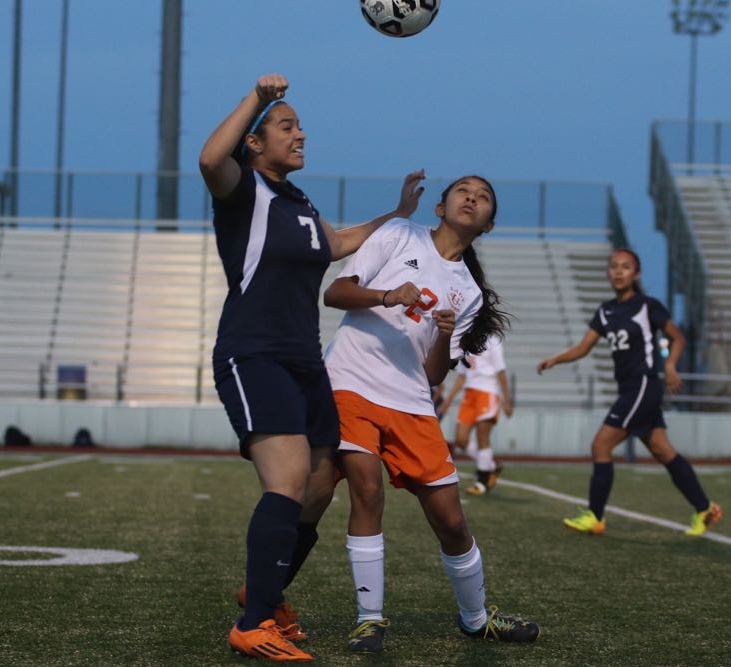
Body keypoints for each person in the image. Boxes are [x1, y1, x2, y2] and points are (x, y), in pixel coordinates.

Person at [199, 73, 424, 662]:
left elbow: (341, 241)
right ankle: (252, 624)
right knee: (290, 477)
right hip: (255, 354)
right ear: (255, 142)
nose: (301, 134)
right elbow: (208, 158)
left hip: (304, 360)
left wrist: (398, 214)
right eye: (287, 126)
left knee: (324, 483)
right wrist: (258, 98)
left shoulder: (298, 202)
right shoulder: (242, 189)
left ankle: (265, 595)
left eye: (298, 125)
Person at [323, 175, 539, 653]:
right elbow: (335, 293)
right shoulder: (398, 234)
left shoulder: (470, 293)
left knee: (451, 520)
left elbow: (435, 374)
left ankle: (476, 618)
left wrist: (443, 334)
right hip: (351, 382)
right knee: (366, 489)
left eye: (483, 197)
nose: (472, 198)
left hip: (410, 402)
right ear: (440, 207)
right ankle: (369, 619)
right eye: (463, 191)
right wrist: (387, 296)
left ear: (488, 224)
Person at [536, 248, 723, 537]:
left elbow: (677, 337)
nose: (619, 272)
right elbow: (583, 348)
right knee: (663, 451)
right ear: (608, 273)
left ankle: (595, 516)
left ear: (636, 274)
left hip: (644, 385)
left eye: (625, 267)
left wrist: (671, 366)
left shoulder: (648, 306)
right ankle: (705, 508)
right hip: (630, 388)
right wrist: (555, 359)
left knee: (601, 446)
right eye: (614, 267)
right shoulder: (606, 311)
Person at [439, 334, 513, 495]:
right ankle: (490, 466)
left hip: (488, 391)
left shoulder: (492, 340)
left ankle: (482, 482)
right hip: (470, 394)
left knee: (482, 437)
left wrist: (506, 399)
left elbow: (500, 371)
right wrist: (448, 401)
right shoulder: (466, 339)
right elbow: (462, 375)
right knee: (460, 439)